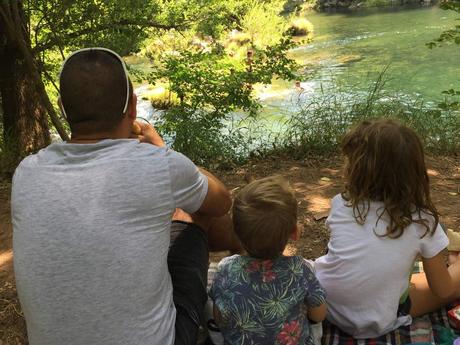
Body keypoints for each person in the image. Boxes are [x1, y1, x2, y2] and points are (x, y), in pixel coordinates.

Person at [11, 47, 239, 345]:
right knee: (191, 212)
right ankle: (256, 262)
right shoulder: (160, 165)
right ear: (132, 107)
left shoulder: (27, 173)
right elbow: (222, 201)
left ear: (63, 108)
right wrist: (161, 149)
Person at [314, 119, 460, 338]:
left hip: (328, 305)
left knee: (402, 278)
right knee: (451, 282)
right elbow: (443, 290)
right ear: (414, 172)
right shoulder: (423, 221)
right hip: (377, 319)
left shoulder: (341, 203)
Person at [209, 176, 327, 345]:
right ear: (295, 233)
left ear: (235, 234)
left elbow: (219, 318)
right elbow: (319, 315)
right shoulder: (300, 270)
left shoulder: (225, 270)